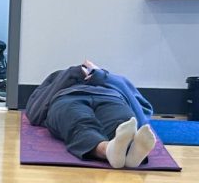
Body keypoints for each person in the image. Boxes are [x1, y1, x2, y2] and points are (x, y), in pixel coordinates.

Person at [26, 60, 157, 168]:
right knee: (79, 123)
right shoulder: (60, 75)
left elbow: (142, 108)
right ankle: (109, 150)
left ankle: (130, 153)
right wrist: (72, 73)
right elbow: (34, 112)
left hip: (110, 97)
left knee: (123, 123)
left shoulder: (111, 79)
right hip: (67, 97)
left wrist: (103, 76)